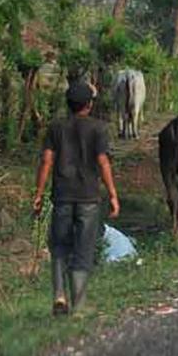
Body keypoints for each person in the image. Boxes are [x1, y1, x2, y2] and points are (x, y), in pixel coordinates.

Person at [33, 81, 120, 316]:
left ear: (68, 104)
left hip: (61, 196)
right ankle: (79, 305)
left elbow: (47, 161)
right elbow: (103, 162)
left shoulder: (56, 128)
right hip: (88, 199)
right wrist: (112, 194)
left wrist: (38, 194)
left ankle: (59, 295)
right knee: (83, 250)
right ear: (89, 105)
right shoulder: (98, 129)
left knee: (59, 246)